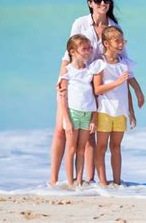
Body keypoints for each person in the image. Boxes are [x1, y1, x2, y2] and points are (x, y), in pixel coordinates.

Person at [49, 0, 145, 186]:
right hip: (76, 81)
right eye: (97, 0)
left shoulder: (114, 28)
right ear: (89, 3)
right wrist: (61, 81)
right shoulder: (80, 23)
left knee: (90, 133)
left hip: (99, 84)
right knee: (61, 130)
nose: (102, 3)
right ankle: (53, 181)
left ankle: (88, 180)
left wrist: (135, 91)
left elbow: (123, 61)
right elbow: (69, 53)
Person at [91, 26, 136, 186]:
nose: (121, 44)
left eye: (122, 40)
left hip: (120, 112)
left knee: (116, 147)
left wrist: (131, 112)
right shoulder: (100, 63)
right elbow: (97, 89)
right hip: (104, 111)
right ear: (106, 43)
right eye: (117, 41)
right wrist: (117, 82)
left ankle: (117, 183)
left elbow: (127, 90)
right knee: (102, 147)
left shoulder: (125, 64)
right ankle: (103, 183)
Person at [59, 34, 97, 187]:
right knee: (72, 148)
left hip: (87, 114)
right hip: (73, 114)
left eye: (89, 48)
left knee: (81, 149)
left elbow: (95, 95)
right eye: (84, 49)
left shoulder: (90, 71)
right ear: (73, 52)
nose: (88, 51)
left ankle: (79, 181)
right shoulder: (67, 71)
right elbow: (63, 98)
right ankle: (70, 182)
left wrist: (94, 118)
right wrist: (67, 120)